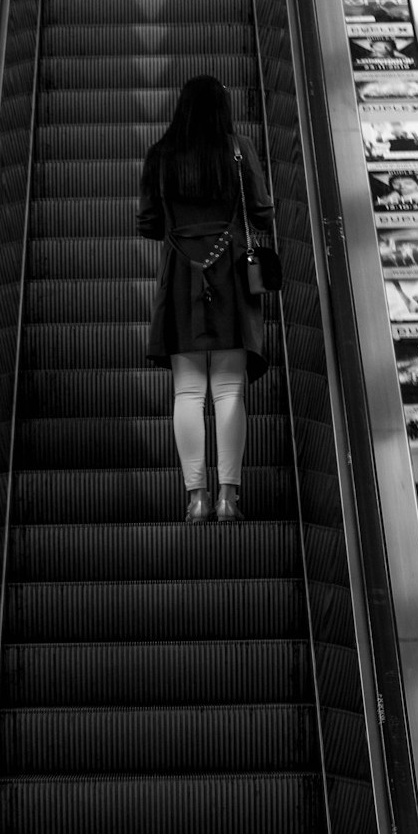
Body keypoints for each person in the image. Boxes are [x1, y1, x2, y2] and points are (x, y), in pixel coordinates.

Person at [137, 75, 275, 522]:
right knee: (230, 389)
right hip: (232, 270)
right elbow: (261, 212)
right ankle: (228, 498)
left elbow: (148, 224)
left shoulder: (161, 154)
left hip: (181, 273)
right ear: (223, 109)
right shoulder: (238, 149)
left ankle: (196, 497)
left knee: (189, 391)